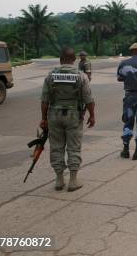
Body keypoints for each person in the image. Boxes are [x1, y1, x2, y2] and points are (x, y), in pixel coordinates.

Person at [40, 47, 95, 191]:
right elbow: (89, 99)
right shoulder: (81, 76)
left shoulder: (51, 75)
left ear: (60, 59)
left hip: (54, 114)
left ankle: (59, 180)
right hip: (73, 115)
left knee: (56, 147)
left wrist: (43, 118)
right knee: (73, 147)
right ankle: (73, 180)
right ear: (74, 59)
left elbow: (44, 100)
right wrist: (92, 115)